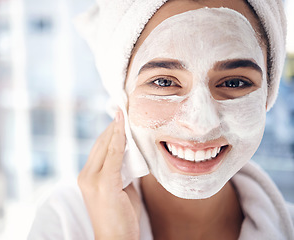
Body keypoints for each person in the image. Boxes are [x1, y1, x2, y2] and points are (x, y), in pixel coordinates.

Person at [28, 0, 294, 239]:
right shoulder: (63, 224)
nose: (201, 124)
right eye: (164, 82)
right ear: (121, 95)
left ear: (268, 95)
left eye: (234, 82)